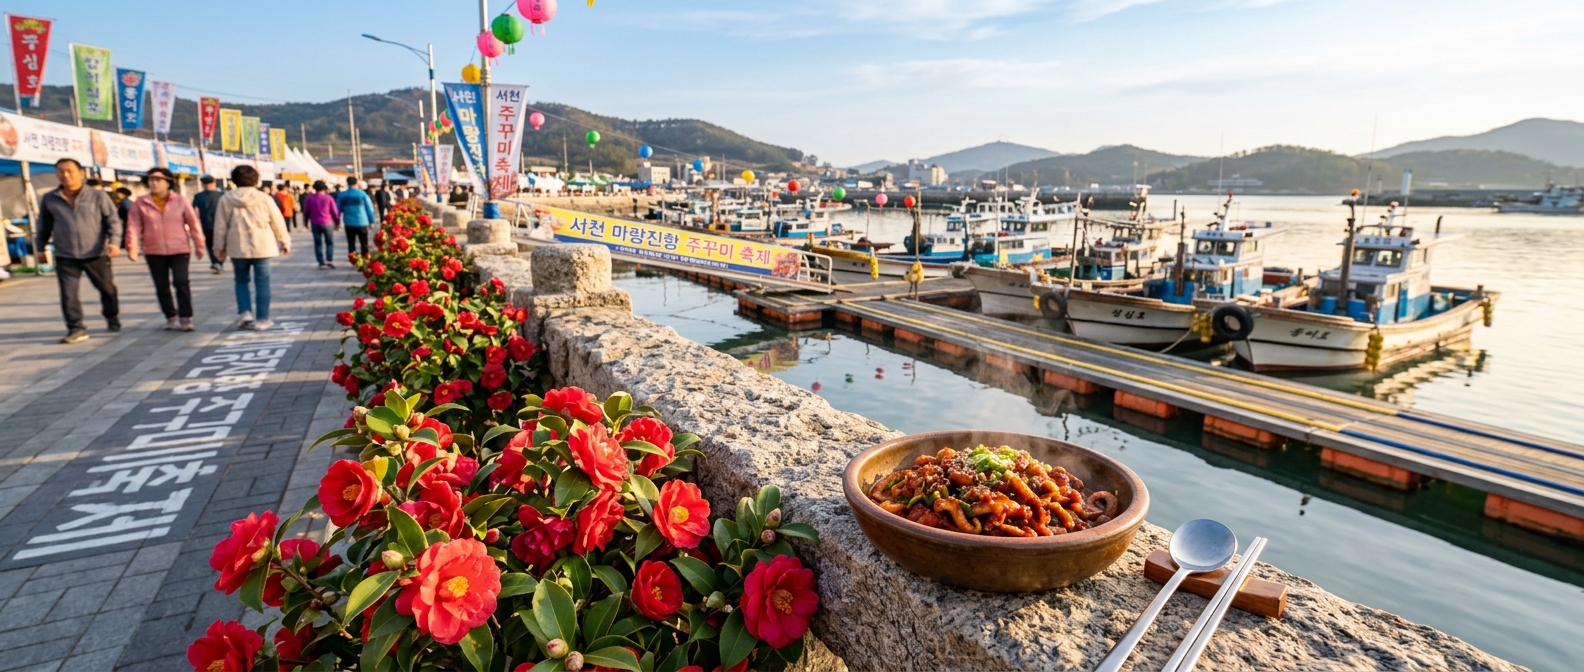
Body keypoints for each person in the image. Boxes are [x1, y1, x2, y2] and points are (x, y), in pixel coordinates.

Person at [36, 158, 122, 343]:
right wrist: (40, 247)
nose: (65, 175)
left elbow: (112, 221)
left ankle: (112, 316)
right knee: (68, 294)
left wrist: (114, 242)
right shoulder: (50, 198)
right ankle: (76, 328)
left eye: (69, 171)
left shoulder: (98, 196)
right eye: (60, 171)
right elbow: (43, 225)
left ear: (81, 173)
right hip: (65, 255)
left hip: (96, 253)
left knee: (107, 290)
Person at [212, 165, 290, 331]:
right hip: (262, 246)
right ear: (256, 179)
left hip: (237, 246)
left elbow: (220, 226)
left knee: (241, 280)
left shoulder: (226, 199)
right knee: (262, 282)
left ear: (234, 180)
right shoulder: (264, 198)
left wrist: (218, 248)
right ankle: (262, 319)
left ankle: (245, 312)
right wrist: (285, 241)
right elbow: (277, 221)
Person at [126, 167, 205, 331]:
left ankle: (185, 317)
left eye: (158, 180)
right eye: (151, 180)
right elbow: (133, 226)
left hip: (179, 249)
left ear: (168, 182)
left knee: (181, 282)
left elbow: (193, 223)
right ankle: (171, 316)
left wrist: (199, 244)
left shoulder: (180, 201)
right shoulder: (141, 203)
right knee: (161, 286)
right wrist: (132, 247)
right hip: (153, 250)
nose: (153, 183)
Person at [304, 180, 341, 269]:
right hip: (327, 223)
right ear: (324, 188)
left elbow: (306, 212)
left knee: (318, 243)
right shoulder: (329, 198)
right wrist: (337, 222)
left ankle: (321, 262)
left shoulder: (309, 198)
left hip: (315, 223)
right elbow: (335, 212)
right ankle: (329, 260)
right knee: (329, 242)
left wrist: (305, 223)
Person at [336, 177, 376, 257]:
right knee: (364, 242)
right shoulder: (362, 194)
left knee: (351, 242)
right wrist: (371, 221)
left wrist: (337, 222)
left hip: (349, 222)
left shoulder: (342, 195)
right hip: (362, 222)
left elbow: (338, 210)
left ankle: (353, 258)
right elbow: (369, 208)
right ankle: (365, 258)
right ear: (357, 183)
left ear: (347, 183)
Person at [192, 175, 224, 274]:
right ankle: (216, 263)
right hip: (206, 226)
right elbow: (194, 211)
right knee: (210, 247)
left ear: (214, 183)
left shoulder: (222, 195)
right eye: (205, 183)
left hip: (220, 226)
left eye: (209, 183)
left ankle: (218, 263)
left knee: (219, 247)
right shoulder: (198, 196)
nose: (207, 185)